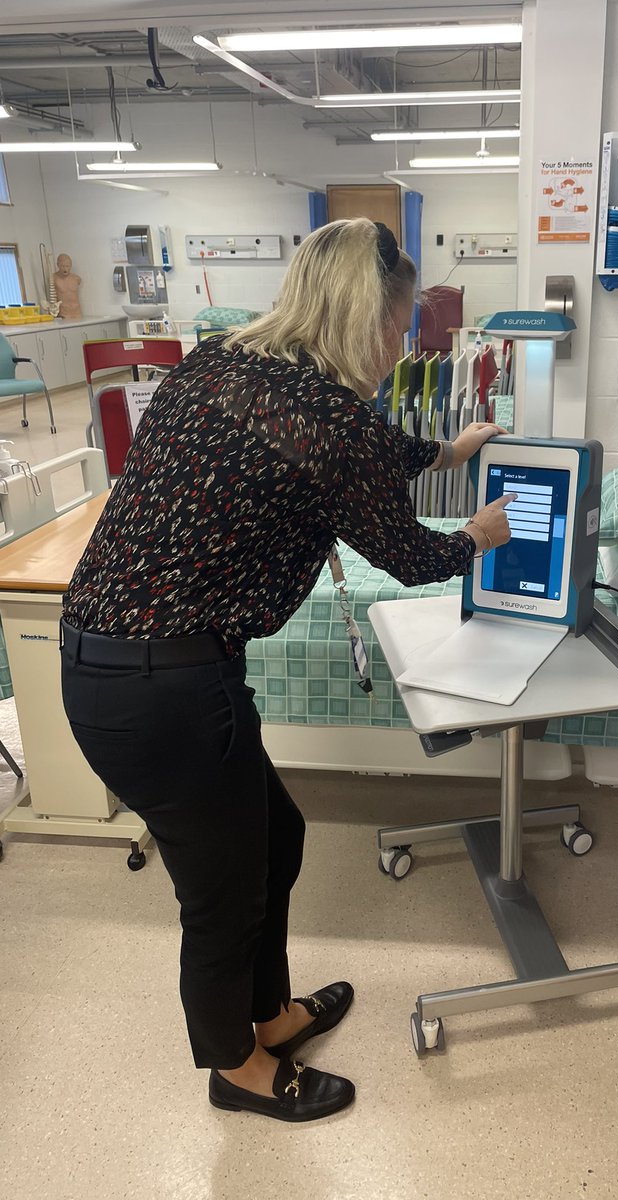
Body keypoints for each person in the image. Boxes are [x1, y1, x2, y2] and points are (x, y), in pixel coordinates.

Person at [60, 218, 515, 1124]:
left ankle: (270, 1014)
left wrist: (444, 451)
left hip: (129, 668)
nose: (405, 341)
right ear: (367, 314)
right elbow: (412, 554)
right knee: (222, 893)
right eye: (402, 320)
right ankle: (238, 1066)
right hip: (164, 690)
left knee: (282, 835)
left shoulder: (221, 364)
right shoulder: (330, 419)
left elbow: (342, 451)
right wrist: (477, 535)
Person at [53, 253, 83, 320]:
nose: (65, 268)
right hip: (64, 314)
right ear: (58, 265)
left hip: (77, 313)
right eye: (62, 266)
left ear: (71, 266)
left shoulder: (76, 278)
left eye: (67, 266)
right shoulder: (54, 278)